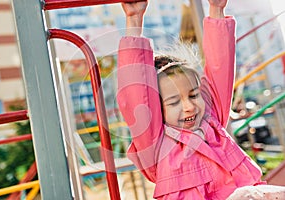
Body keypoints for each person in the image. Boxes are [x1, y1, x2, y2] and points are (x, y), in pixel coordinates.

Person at [116, 0, 285, 199]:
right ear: (156, 111)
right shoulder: (157, 145)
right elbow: (136, 93)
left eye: (194, 95)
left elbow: (219, 68)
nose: (189, 107)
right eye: (174, 102)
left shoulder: (211, 120)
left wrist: (216, 9)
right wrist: (134, 19)